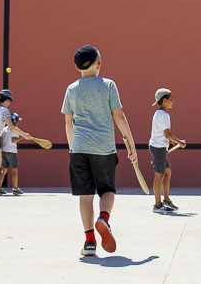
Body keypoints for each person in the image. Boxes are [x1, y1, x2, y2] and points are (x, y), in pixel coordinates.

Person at [61, 45, 138, 257]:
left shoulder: (71, 89)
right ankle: (103, 218)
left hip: (78, 149)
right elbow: (119, 116)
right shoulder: (108, 85)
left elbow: (68, 124)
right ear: (98, 64)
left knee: (85, 195)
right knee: (106, 190)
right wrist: (131, 145)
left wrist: (72, 149)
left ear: (77, 68)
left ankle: (89, 242)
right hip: (103, 148)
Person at [148, 88, 186, 213]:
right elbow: (167, 134)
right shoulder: (164, 115)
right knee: (159, 175)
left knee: (167, 172)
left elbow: (164, 135)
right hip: (158, 148)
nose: (173, 101)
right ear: (164, 100)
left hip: (159, 148)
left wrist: (173, 141)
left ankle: (167, 201)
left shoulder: (159, 114)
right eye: (171, 99)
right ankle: (157, 205)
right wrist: (179, 142)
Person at [0, 113, 25, 195]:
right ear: (14, 122)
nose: (18, 122)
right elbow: (13, 140)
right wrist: (22, 137)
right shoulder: (15, 129)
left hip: (3, 152)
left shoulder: (4, 129)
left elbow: (1, 140)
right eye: (17, 121)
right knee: (14, 170)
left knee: (3, 170)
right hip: (12, 152)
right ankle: (15, 188)